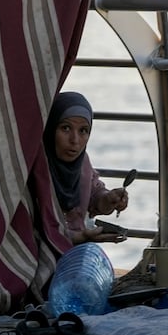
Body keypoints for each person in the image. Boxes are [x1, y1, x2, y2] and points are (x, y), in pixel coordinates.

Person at [44, 91, 130, 245]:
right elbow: (29, 230)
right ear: (50, 127)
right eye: (65, 128)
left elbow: (93, 195)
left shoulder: (82, 162)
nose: (75, 140)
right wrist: (78, 238)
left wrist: (109, 199)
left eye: (83, 131)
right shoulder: (34, 166)